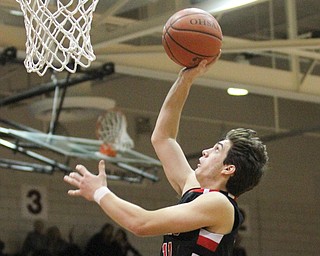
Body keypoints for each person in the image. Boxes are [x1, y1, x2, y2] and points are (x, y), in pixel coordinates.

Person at [64, 58, 268, 256]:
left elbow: (141, 224)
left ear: (228, 168)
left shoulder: (220, 204)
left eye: (216, 149)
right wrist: (184, 80)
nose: (205, 151)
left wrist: (100, 192)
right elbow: (163, 138)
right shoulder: (195, 189)